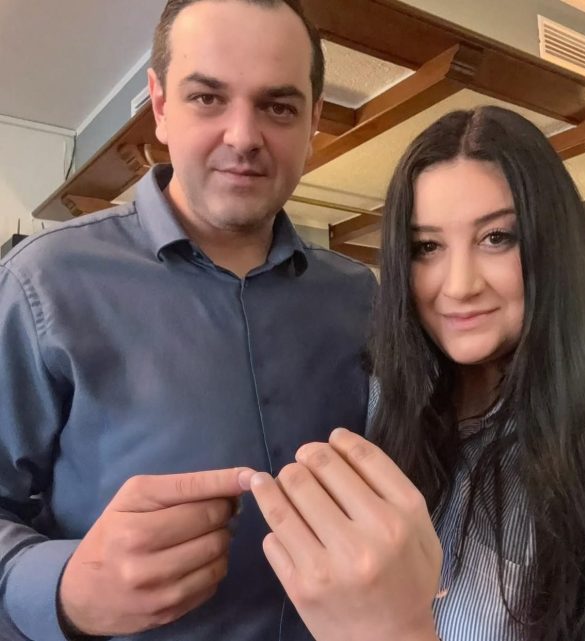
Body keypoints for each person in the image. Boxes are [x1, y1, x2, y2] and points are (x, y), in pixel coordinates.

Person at [244, 106, 585, 641]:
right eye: (427, 247)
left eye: (496, 238)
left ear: (553, 245)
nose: (459, 285)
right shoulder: (394, 398)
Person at [0, 1, 376, 640]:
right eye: (207, 98)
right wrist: (62, 589)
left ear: (314, 121)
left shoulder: (361, 296)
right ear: (160, 105)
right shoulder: (41, 282)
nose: (243, 136)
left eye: (278, 107)